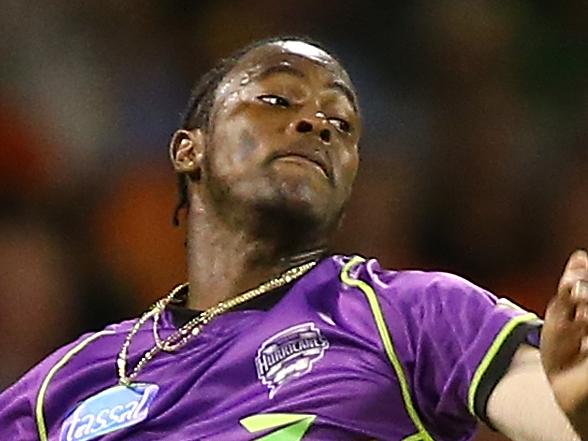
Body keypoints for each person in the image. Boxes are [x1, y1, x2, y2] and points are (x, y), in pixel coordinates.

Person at [1, 36, 586, 441]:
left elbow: (547, 404)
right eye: (277, 101)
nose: (315, 125)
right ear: (189, 149)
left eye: (342, 124)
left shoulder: (409, 313)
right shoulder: (64, 383)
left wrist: (573, 407)